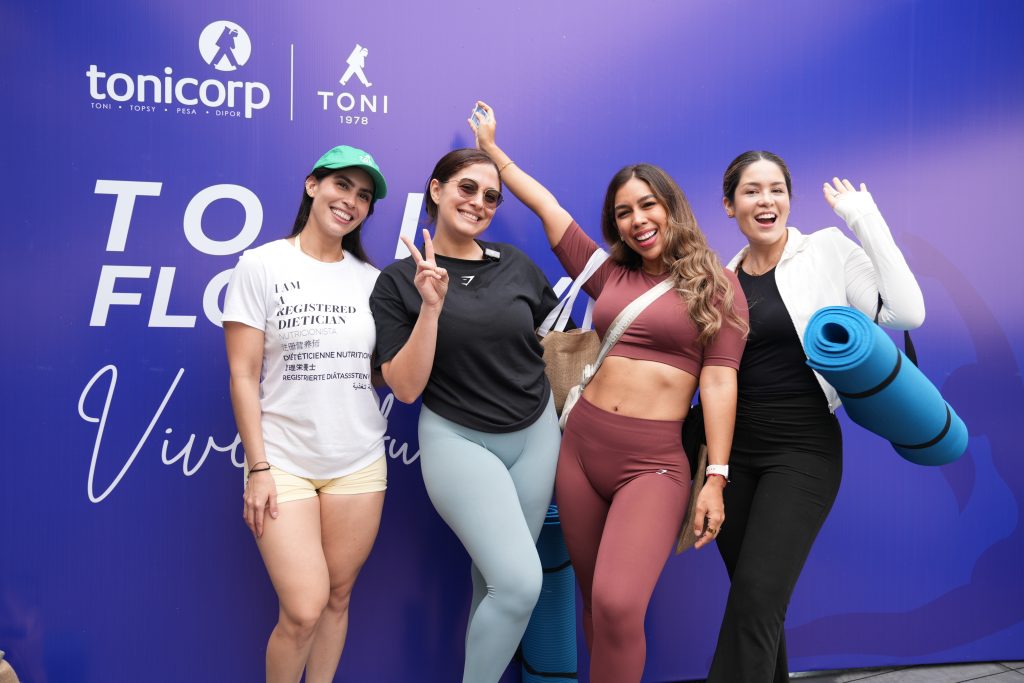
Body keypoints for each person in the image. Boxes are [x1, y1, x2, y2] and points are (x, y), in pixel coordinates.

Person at [470, 101, 749, 683]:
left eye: (648, 205)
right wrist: (494, 152)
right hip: (580, 451)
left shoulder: (717, 286)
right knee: (595, 603)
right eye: (623, 212)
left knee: (619, 604)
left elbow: (721, 380)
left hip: (653, 464)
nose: (637, 220)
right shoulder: (609, 275)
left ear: (671, 207)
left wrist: (717, 477)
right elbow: (549, 208)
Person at [706, 151, 926, 682]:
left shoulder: (825, 249)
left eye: (776, 189)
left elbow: (906, 311)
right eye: (752, 191)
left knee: (757, 596)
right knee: (756, 604)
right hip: (735, 456)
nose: (766, 200)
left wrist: (863, 217)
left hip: (803, 449)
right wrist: (713, 468)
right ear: (730, 205)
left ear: (789, 198)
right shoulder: (721, 279)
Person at [369, 148, 563, 683]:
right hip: (459, 439)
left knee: (494, 583)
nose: (479, 203)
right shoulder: (397, 281)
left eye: (491, 196)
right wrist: (431, 307)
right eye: (467, 188)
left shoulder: (515, 264)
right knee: (520, 584)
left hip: (536, 434)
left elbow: (556, 340)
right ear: (436, 190)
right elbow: (405, 388)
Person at [222, 145, 389, 683]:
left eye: (363, 195)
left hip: (357, 461)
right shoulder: (262, 264)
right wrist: (258, 468)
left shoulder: (372, 281)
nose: (351, 201)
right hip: (283, 461)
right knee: (303, 607)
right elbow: (243, 374)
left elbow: (379, 373)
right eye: (342, 185)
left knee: (337, 597)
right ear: (313, 185)